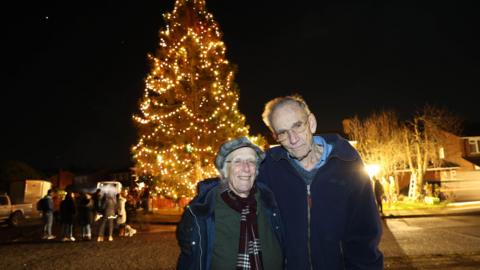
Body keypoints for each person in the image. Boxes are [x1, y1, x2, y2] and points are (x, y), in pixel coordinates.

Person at [258, 95, 383, 269]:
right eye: (283, 133)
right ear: (275, 136)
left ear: (312, 122)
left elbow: (365, 233)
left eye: (298, 126)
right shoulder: (268, 169)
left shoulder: (347, 163)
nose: (293, 139)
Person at [177, 137, 284, 270]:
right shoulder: (202, 211)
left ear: (256, 170)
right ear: (224, 170)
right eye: (237, 161)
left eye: (251, 161)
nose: (246, 168)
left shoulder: (270, 203)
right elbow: (189, 258)